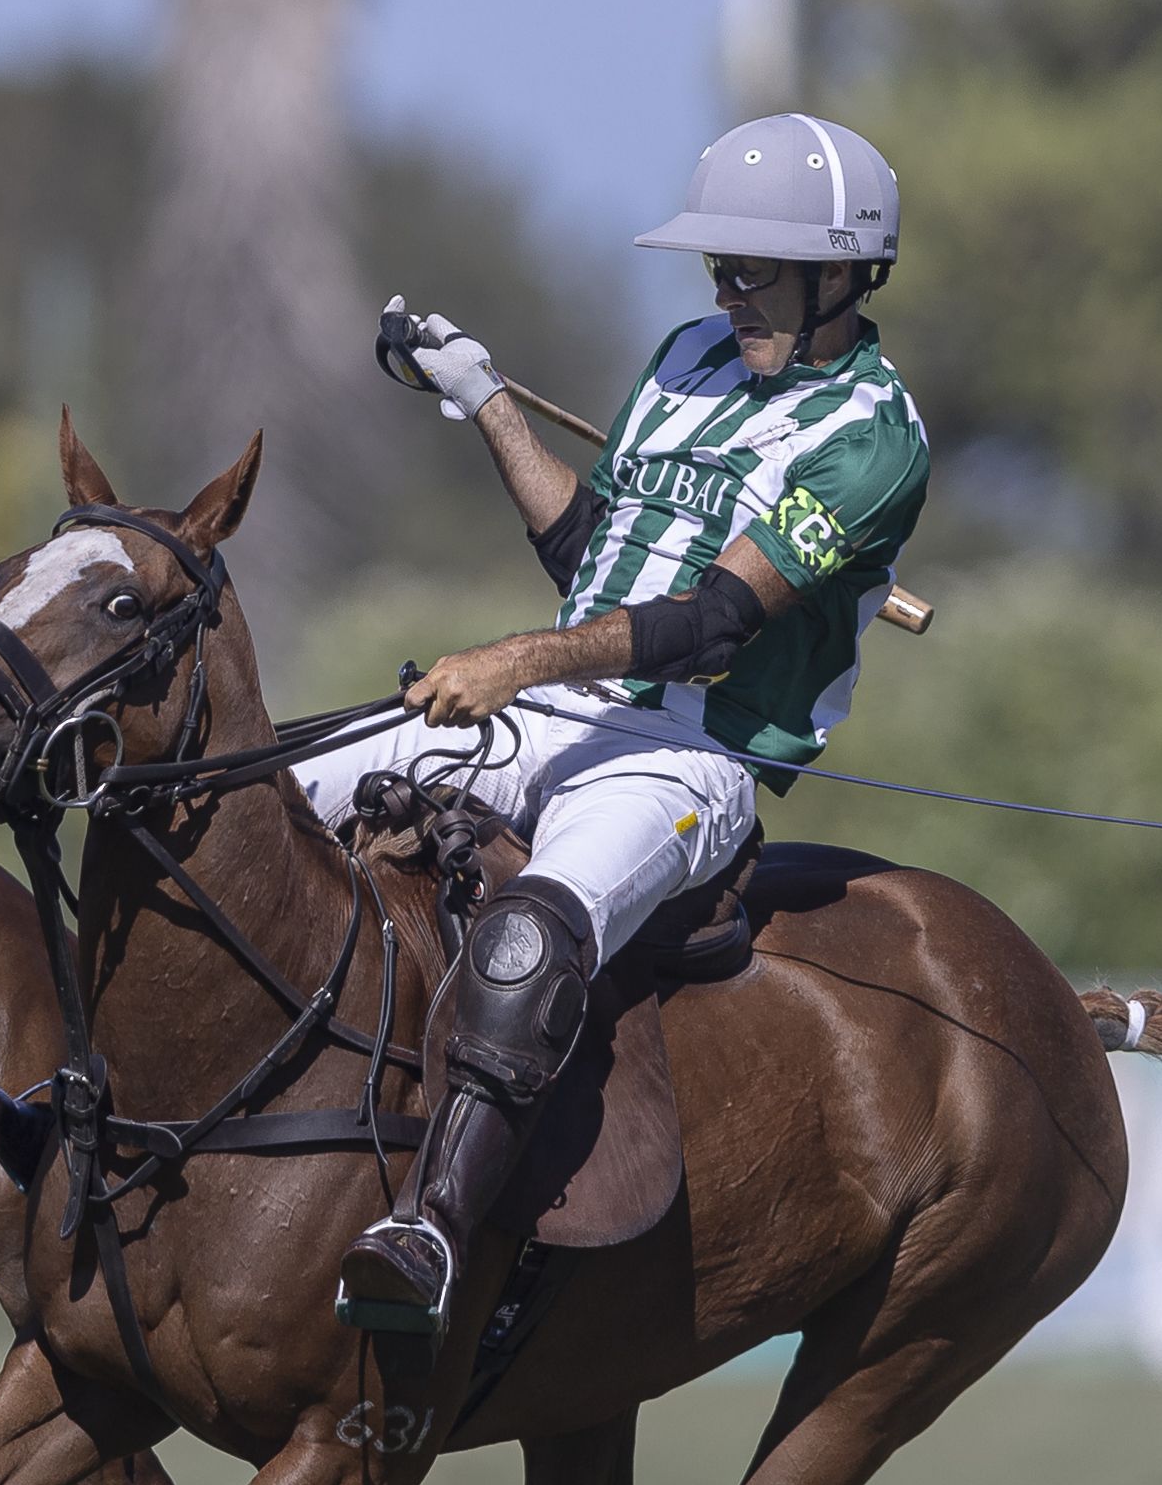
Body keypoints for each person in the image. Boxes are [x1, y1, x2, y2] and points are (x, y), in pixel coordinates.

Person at [291, 114, 931, 1336]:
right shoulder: (687, 355)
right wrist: (482, 398)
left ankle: (428, 1229)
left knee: (532, 936)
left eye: (755, 270)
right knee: (266, 793)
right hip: (552, 704)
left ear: (844, 272)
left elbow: (711, 625)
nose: (728, 292)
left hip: (689, 754)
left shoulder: (870, 440)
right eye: (719, 267)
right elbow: (597, 557)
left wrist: (517, 660)